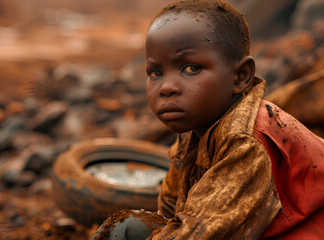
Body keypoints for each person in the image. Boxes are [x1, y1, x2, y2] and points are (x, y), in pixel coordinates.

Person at [92, 0, 324, 239]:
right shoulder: (194, 130)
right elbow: (172, 211)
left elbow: (204, 234)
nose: (167, 87)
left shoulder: (246, 143)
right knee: (125, 227)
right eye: (155, 73)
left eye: (191, 68)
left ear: (240, 77)